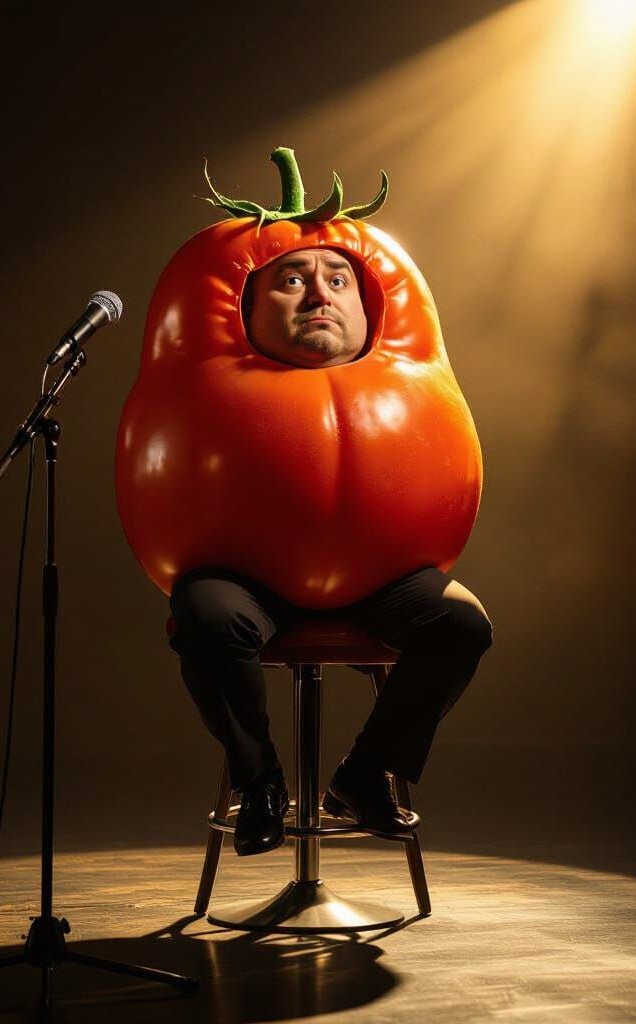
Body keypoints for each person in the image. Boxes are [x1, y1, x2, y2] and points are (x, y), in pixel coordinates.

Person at [168, 246, 493, 855]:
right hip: (248, 578)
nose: (320, 294)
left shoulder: (411, 381)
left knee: (460, 621)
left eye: (338, 279)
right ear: (248, 306)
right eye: (293, 280)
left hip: (377, 575)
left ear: (366, 305)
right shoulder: (208, 383)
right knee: (206, 615)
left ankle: (367, 774)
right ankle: (258, 781)